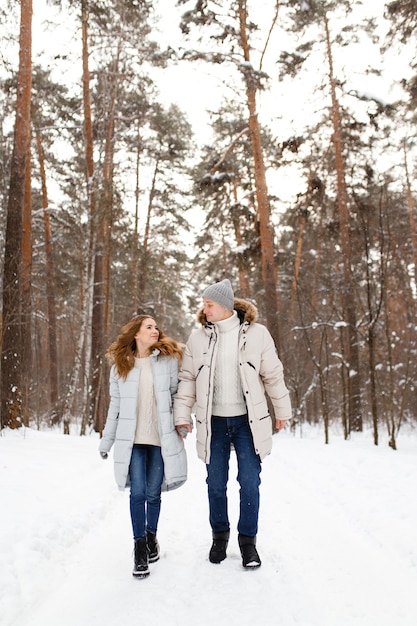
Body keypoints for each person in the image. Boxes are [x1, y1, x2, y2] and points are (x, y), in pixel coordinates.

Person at [174, 279, 291, 569]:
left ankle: (248, 543)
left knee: (250, 482)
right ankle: (219, 537)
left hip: (247, 422)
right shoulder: (198, 338)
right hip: (212, 422)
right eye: (204, 304)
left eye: (209, 304)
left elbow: (273, 375)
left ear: (225, 305)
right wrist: (181, 416)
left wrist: (282, 409)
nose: (204, 309)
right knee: (215, 483)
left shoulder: (258, 335)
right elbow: (188, 379)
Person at [99, 315, 187, 579]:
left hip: (160, 439)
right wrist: (107, 440)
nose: (155, 330)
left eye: (156, 326)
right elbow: (115, 407)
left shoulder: (168, 361)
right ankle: (139, 547)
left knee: (153, 493)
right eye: (148, 327)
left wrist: (182, 422)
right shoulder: (120, 366)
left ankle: (151, 537)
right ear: (136, 333)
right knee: (137, 493)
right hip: (133, 441)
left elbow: (176, 395)